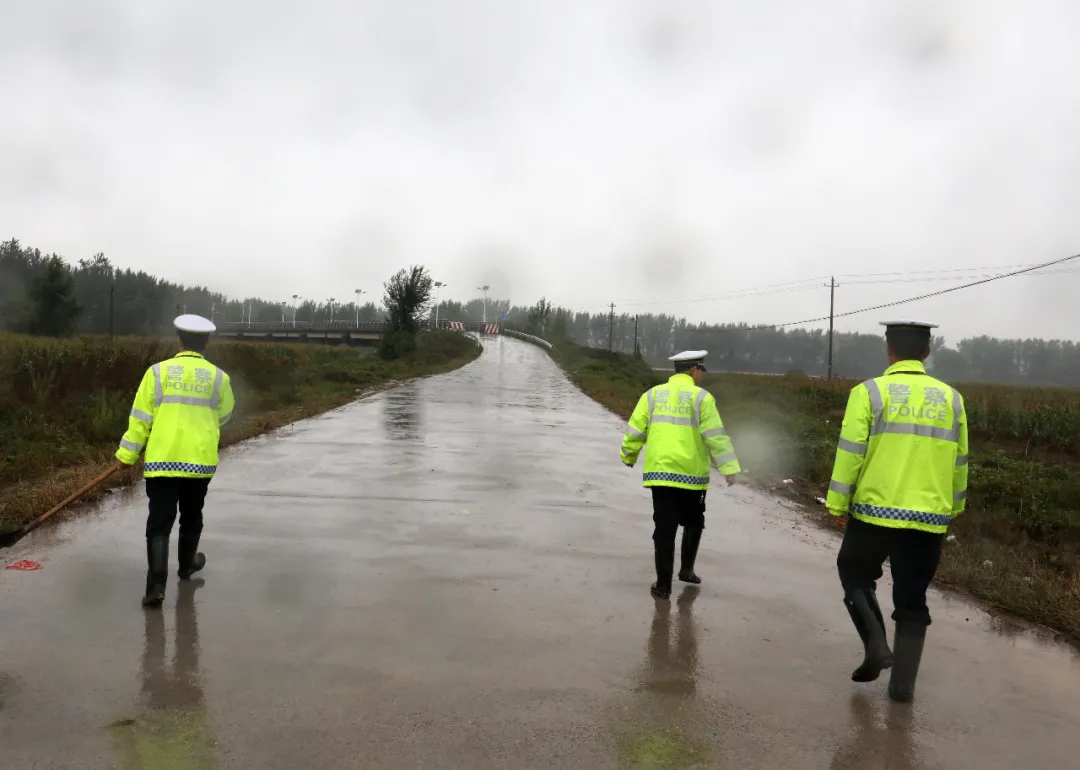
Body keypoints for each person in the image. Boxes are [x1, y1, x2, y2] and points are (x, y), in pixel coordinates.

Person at [826, 319, 968, 703]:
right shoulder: (952, 399)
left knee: (854, 571)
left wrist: (837, 502)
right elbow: (960, 460)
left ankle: (875, 644)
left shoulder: (869, 393)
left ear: (888, 350)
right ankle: (902, 689)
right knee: (912, 597)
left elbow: (850, 452)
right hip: (929, 517)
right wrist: (953, 507)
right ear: (928, 351)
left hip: (875, 511)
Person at [116, 315, 234, 608]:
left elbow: (140, 420)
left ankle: (156, 586)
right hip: (199, 463)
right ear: (206, 343)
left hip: (162, 462)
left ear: (178, 339)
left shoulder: (157, 373)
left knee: (159, 523)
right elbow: (225, 415)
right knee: (192, 515)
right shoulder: (219, 377)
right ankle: (187, 565)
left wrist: (127, 456)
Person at [620, 350, 741, 600]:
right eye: (701, 371)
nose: (702, 376)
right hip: (691, 476)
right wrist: (729, 469)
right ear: (693, 370)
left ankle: (663, 585)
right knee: (694, 521)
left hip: (661, 473)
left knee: (664, 527)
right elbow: (716, 436)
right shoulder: (702, 398)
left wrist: (629, 455)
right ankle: (686, 570)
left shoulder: (652, 395)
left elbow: (635, 429)